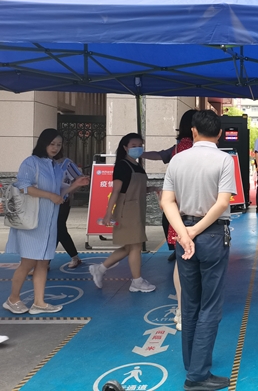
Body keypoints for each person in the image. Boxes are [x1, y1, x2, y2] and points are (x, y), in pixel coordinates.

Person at [161, 109, 237, 391]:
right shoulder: (224, 159)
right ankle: (197, 375)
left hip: (184, 235)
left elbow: (167, 201)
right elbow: (222, 202)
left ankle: (191, 363)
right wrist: (195, 231)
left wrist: (185, 233)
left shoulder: (178, 159)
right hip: (212, 234)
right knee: (210, 305)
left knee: (190, 302)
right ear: (219, 134)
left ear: (193, 131)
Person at [3, 129, 89, 315]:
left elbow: (59, 193)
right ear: (43, 143)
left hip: (49, 222)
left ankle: (39, 302)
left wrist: (75, 185)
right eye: (52, 144)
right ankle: (13, 299)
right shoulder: (31, 162)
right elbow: (24, 187)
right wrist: (50, 195)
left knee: (42, 263)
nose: (55, 148)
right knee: (27, 263)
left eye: (59, 145)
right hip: (32, 222)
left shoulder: (56, 166)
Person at [90, 133, 156, 292]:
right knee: (135, 245)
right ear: (125, 147)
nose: (138, 148)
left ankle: (100, 269)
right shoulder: (122, 165)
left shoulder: (137, 165)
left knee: (129, 246)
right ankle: (137, 281)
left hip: (137, 209)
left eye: (140, 145)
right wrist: (108, 213)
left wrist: (153, 189)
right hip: (127, 210)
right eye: (134, 146)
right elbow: (116, 191)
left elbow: (138, 188)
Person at [142, 108, 198, 262]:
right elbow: (161, 154)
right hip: (193, 192)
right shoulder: (188, 146)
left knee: (172, 221)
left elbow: (161, 155)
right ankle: (181, 247)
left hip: (178, 193)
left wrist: (140, 154)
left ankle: (179, 247)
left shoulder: (180, 148)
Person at [55, 153, 84, 268]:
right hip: (47, 201)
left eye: (57, 145)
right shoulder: (43, 163)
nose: (54, 148)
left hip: (63, 201)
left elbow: (80, 179)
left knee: (58, 228)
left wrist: (70, 192)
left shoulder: (66, 163)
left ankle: (45, 261)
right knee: (56, 230)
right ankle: (74, 257)